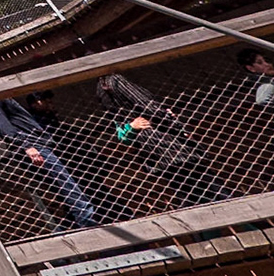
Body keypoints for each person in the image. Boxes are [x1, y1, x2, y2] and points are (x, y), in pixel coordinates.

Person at [0, 50, 98, 230]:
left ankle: (77, 234)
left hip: (37, 142)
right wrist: (27, 145)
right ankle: (92, 228)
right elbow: (0, 121)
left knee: (64, 190)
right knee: (70, 190)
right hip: (32, 145)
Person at [95, 72, 228, 209]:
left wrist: (131, 128)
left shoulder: (102, 90)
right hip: (169, 144)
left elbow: (122, 134)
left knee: (189, 193)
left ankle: (208, 227)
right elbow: (146, 104)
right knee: (211, 186)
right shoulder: (114, 80)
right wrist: (172, 121)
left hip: (155, 154)